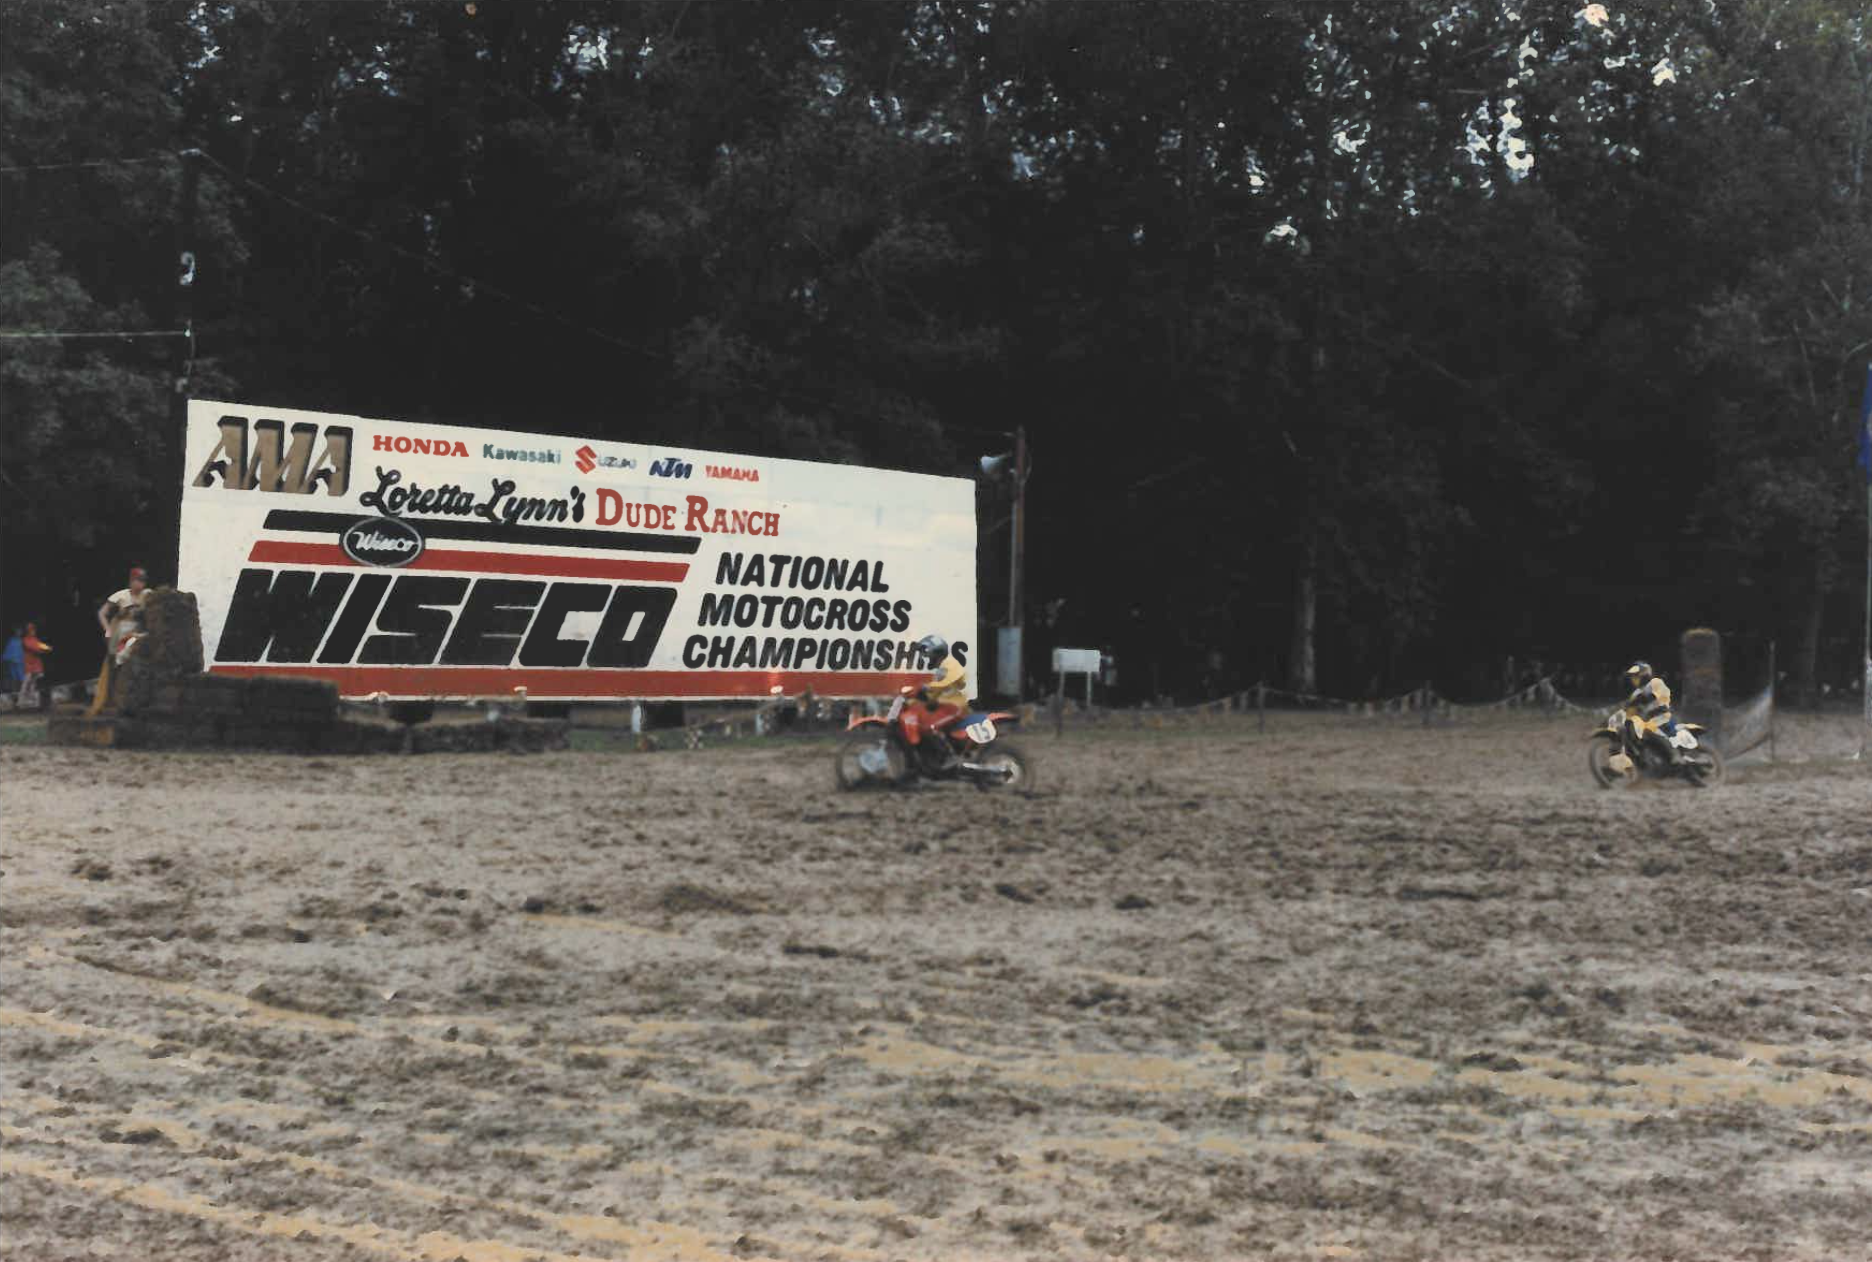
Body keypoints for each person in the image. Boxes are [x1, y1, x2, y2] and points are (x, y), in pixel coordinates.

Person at [913, 632, 970, 768]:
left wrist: (925, 688)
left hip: (955, 706)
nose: (926, 657)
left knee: (929, 727)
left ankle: (950, 757)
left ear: (937, 652)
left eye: (928, 653)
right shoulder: (941, 669)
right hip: (945, 706)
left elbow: (943, 684)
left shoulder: (950, 664)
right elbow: (935, 694)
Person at [1620, 660, 1680, 765]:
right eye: (1632, 677)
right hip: (1650, 718)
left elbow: (1662, 694)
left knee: (1652, 730)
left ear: (1644, 674)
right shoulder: (1636, 693)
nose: (1633, 679)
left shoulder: (1655, 683)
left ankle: (1675, 755)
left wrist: (1643, 699)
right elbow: (1629, 709)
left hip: (1663, 714)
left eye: (1636, 676)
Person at [98, 566, 150, 664]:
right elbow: (102, 613)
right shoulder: (121, 596)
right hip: (123, 632)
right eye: (138, 580)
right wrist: (107, 629)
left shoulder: (147, 595)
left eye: (143, 580)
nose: (141, 583)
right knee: (117, 659)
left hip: (141, 631)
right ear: (131, 580)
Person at [18, 622, 53, 709]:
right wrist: (44, 649)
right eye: (31, 630)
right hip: (29, 664)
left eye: (34, 630)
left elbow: (40, 645)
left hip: (36, 664)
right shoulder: (25, 640)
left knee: (34, 682)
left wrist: (47, 648)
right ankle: (21, 701)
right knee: (27, 682)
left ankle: (32, 701)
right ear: (28, 631)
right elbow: (34, 648)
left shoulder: (34, 639)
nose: (34, 631)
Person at [1, 627, 23, 699]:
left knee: (21, 679)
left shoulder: (21, 641)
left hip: (20, 663)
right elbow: (7, 651)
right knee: (13, 678)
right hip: (12, 662)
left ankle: (20, 695)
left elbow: (23, 652)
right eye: (17, 631)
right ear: (15, 632)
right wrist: (5, 658)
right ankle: (14, 695)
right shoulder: (11, 641)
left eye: (20, 631)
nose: (19, 633)